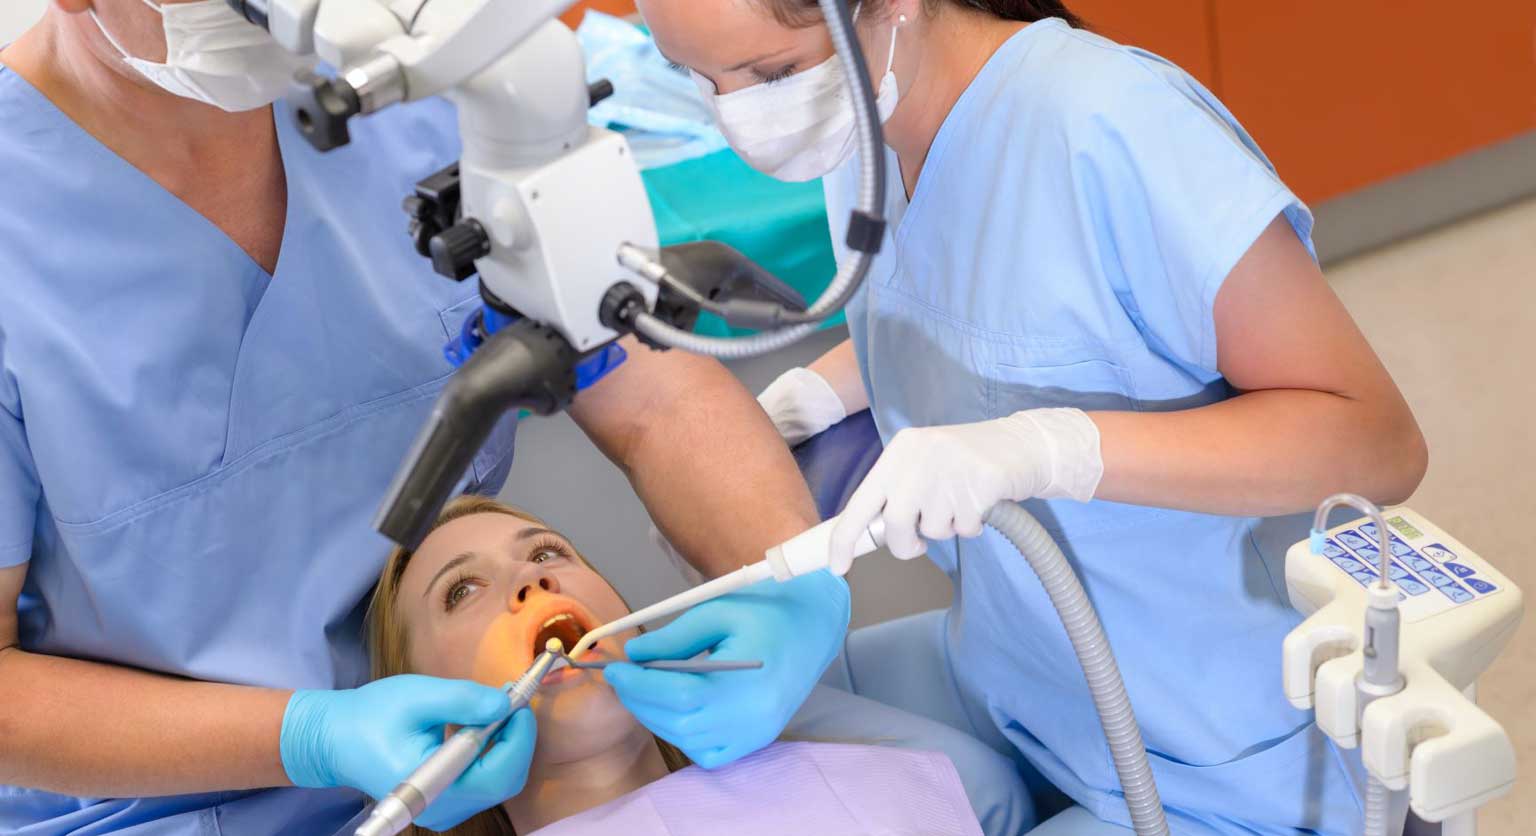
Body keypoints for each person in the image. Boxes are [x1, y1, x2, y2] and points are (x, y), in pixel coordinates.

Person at [0, 2, 847, 833]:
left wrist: (789, 579)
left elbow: (653, 397)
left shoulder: (415, 82)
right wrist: (313, 741)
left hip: (499, 778)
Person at [622, 2, 1430, 834]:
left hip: (1222, 750)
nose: (742, 117)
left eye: (772, 75)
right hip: (1015, 672)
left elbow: (1374, 439)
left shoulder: (1109, 127)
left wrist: (1050, 449)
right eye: (698, 77)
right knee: (736, 719)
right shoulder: (866, 125)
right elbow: (1009, 316)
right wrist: (824, 394)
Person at [368, 494, 988, 836]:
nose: (533, 579)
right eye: (461, 591)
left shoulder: (871, 786)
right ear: (424, 720)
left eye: (546, 552)